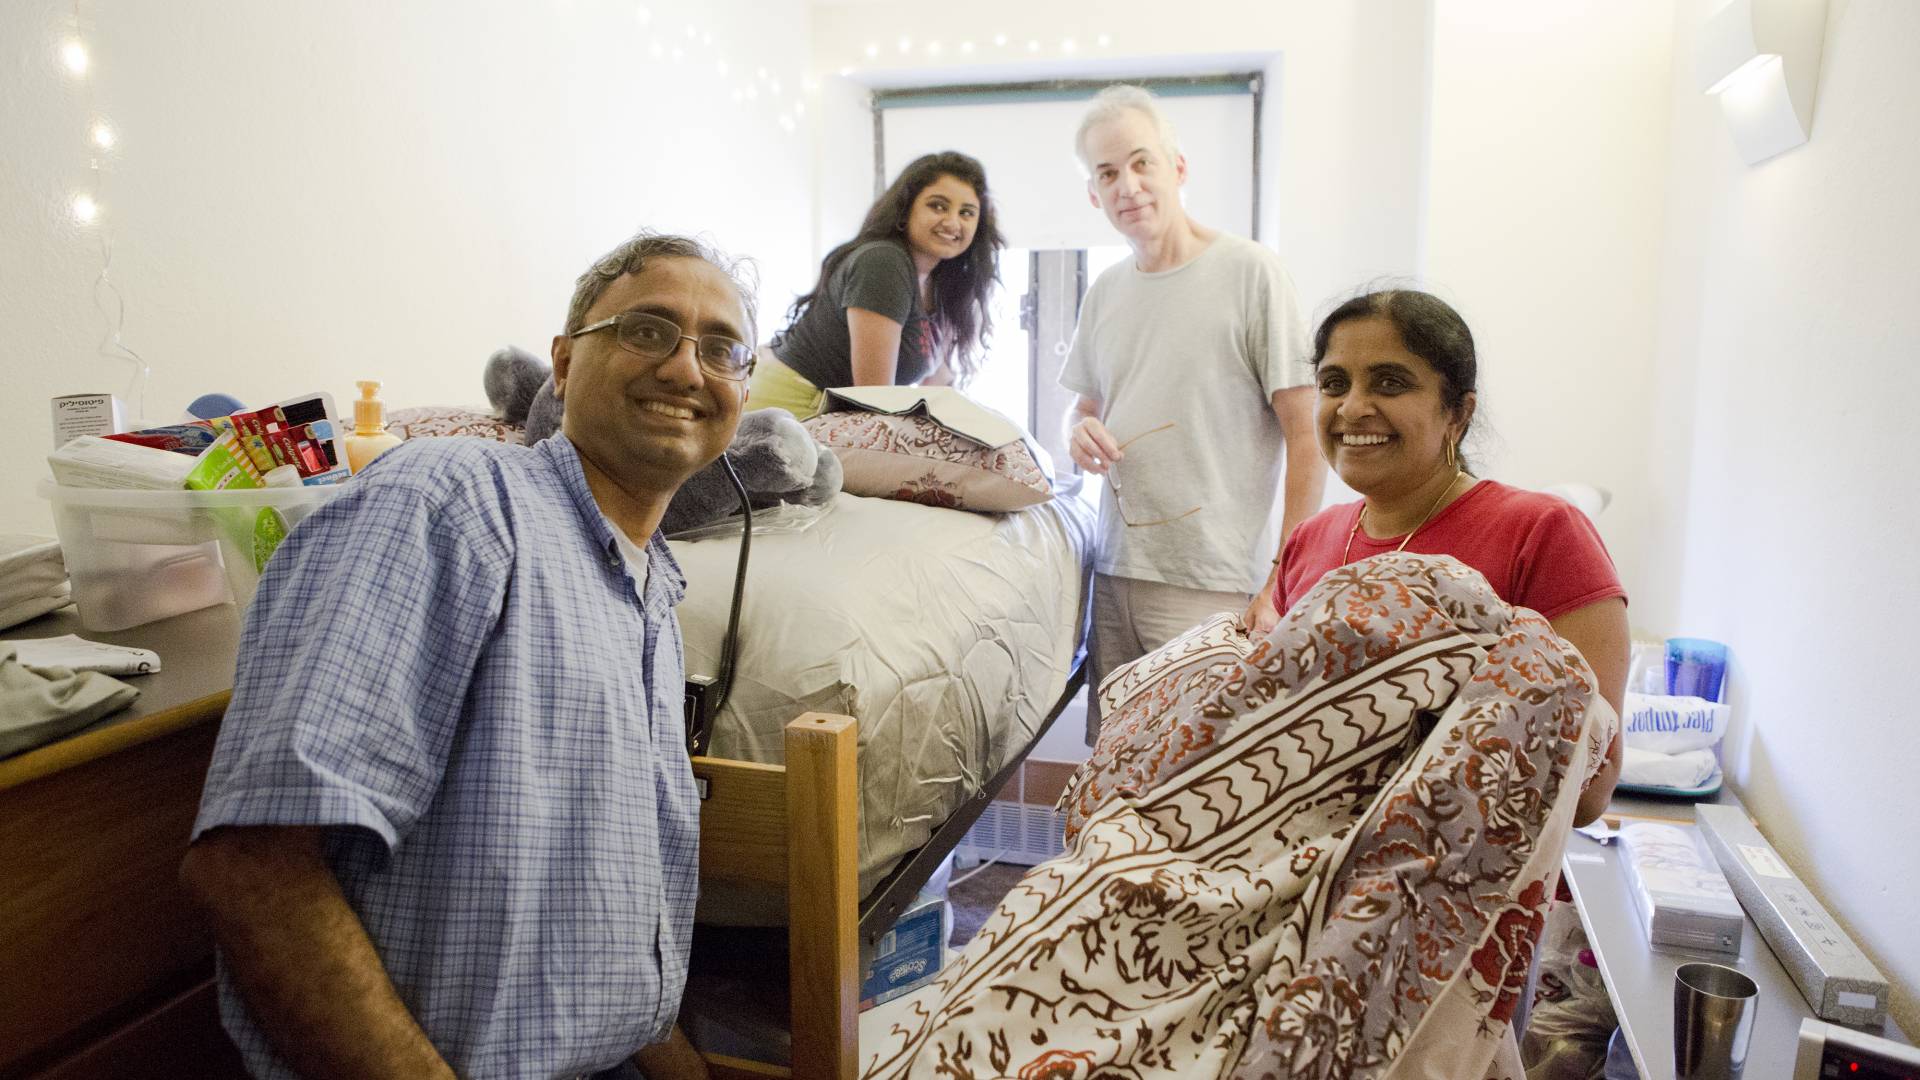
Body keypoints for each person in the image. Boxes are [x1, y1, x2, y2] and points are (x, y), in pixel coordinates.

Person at [177, 231, 757, 1079]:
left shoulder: (653, 599)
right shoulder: (450, 503)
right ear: (563, 365)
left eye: (721, 349)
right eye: (646, 330)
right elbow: (252, 872)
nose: (685, 369)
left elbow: (616, 975)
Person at [1274, 287, 1626, 824]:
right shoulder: (1310, 540)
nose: (1353, 407)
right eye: (1334, 383)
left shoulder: (1542, 532)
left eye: (1390, 383)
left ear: (1458, 412)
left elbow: (1589, 790)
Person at [1062, 84, 1325, 737]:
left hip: (1213, 583)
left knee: (1198, 766)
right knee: (1114, 763)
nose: (1128, 186)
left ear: (1177, 168)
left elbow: (1308, 434)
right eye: (1108, 173)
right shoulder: (1105, 292)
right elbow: (1081, 409)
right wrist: (1078, 431)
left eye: (1141, 162)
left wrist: (1282, 580)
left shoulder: (1252, 273)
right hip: (1114, 571)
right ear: (1094, 195)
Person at [751, 151, 1004, 417]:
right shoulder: (883, 262)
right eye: (938, 206)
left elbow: (936, 390)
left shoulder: (941, 285)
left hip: (830, 414)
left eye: (966, 213)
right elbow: (874, 397)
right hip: (785, 409)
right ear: (906, 209)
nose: (953, 222)